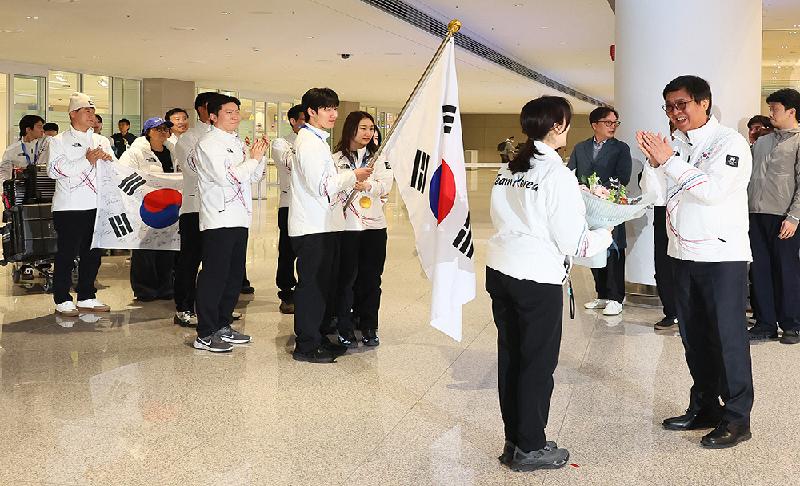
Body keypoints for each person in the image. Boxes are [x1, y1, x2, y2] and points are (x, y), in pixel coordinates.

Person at [487, 96, 612, 471]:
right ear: (556, 126)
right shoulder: (556, 174)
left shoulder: (511, 166)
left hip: (502, 270)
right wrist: (608, 231)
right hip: (536, 277)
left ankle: (515, 440)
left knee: (512, 358)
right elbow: (576, 241)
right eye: (566, 122)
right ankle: (530, 446)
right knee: (537, 364)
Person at [637, 75, 754, 448]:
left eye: (682, 104)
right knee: (694, 338)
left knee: (728, 338)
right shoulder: (675, 144)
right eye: (669, 106)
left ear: (704, 102)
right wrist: (654, 164)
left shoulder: (729, 143)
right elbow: (654, 195)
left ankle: (737, 418)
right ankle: (705, 406)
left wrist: (669, 161)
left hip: (721, 257)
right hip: (681, 254)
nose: (675, 113)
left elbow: (712, 192)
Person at [289, 87, 372, 363]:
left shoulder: (318, 141)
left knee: (323, 286)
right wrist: (352, 175)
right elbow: (321, 185)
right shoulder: (308, 142)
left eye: (334, 108)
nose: (333, 114)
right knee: (311, 288)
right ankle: (306, 345)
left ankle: (318, 336)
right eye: (326, 109)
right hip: (312, 227)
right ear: (311, 112)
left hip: (324, 225)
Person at [192, 95, 268, 353]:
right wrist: (253, 160)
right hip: (218, 218)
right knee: (214, 275)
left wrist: (259, 156)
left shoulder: (236, 142)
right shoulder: (209, 143)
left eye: (237, 111)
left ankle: (222, 325)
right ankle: (205, 333)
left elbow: (254, 176)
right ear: (213, 116)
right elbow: (228, 178)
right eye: (228, 112)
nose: (235, 116)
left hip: (239, 217)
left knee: (234, 276)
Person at [47, 92, 115, 316]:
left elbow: (113, 169)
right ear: (73, 114)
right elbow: (54, 170)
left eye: (93, 111)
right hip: (69, 206)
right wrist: (87, 160)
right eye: (87, 111)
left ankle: (87, 295)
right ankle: (62, 298)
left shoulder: (101, 140)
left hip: (97, 205)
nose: (92, 115)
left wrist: (106, 161)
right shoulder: (58, 140)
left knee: (93, 253)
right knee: (66, 253)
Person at [332, 111, 392, 348]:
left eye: (371, 128)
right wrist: (349, 180)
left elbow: (386, 186)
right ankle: (344, 325)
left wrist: (367, 185)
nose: (369, 133)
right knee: (345, 279)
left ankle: (368, 325)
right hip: (346, 227)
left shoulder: (379, 158)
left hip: (374, 227)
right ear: (350, 129)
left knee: (371, 279)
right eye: (363, 128)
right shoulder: (336, 159)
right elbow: (331, 187)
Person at [747, 88, 800, 345]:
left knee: (786, 270)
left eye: (775, 109)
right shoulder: (762, 142)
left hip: (785, 217)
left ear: (791, 111)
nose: (771, 114)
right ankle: (765, 323)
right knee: (760, 270)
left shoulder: (799, 140)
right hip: (755, 215)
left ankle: (792, 324)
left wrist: (794, 217)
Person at [568, 107, 632, 316]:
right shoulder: (580, 147)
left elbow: (623, 177)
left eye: (615, 123)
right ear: (595, 124)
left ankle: (616, 298)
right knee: (594, 249)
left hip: (610, 207)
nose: (613, 126)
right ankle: (602, 294)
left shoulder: (621, 148)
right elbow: (571, 174)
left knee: (613, 251)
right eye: (608, 122)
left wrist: (600, 191)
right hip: (588, 208)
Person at [172, 92, 218, 327]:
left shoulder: (226, 137)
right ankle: (184, 308)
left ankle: (211, 309)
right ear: (202, 109)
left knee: (214, 262)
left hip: (219, 210)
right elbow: (193, 169)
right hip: (194, 207)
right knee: (190, 260)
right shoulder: (188, 138)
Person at [119, 117, 177, 301]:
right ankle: (145, 289)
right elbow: (123, 175)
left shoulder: (172, 152)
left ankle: (166, 286)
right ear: (148, 132)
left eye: (165, 128)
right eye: (157, 128)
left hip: (169, 207)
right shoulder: (135, 153)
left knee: (167, 248)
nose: (162, 132)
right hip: (145, 208)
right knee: (145, 250)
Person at [270, 104, 304, 314]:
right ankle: (286, 291)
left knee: (308, 251)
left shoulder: (318, 144)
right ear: (292, 121)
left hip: (311, 208)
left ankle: (305, 290)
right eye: (302, 120)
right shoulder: (281, 143)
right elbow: (294, 165)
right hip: (289, 204)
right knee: (287, 251)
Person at [1, 115, 48, 184]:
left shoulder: (47, 144)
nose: (42, 130)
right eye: (39, 127)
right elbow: (4, 173)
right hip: (22, 188)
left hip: (44, 186)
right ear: (28, 129)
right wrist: (5, 189)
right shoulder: (12, 150)